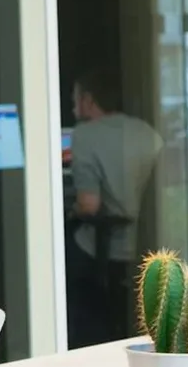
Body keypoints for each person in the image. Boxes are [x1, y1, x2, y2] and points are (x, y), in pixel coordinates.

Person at [65, 70, 163, 345]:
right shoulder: (147, 131)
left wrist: (71, 212)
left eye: (75, 97)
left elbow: (89, 204)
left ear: (88, 99)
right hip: (146, 245)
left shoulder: (84, 135)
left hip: (110, 248)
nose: (73, 105)